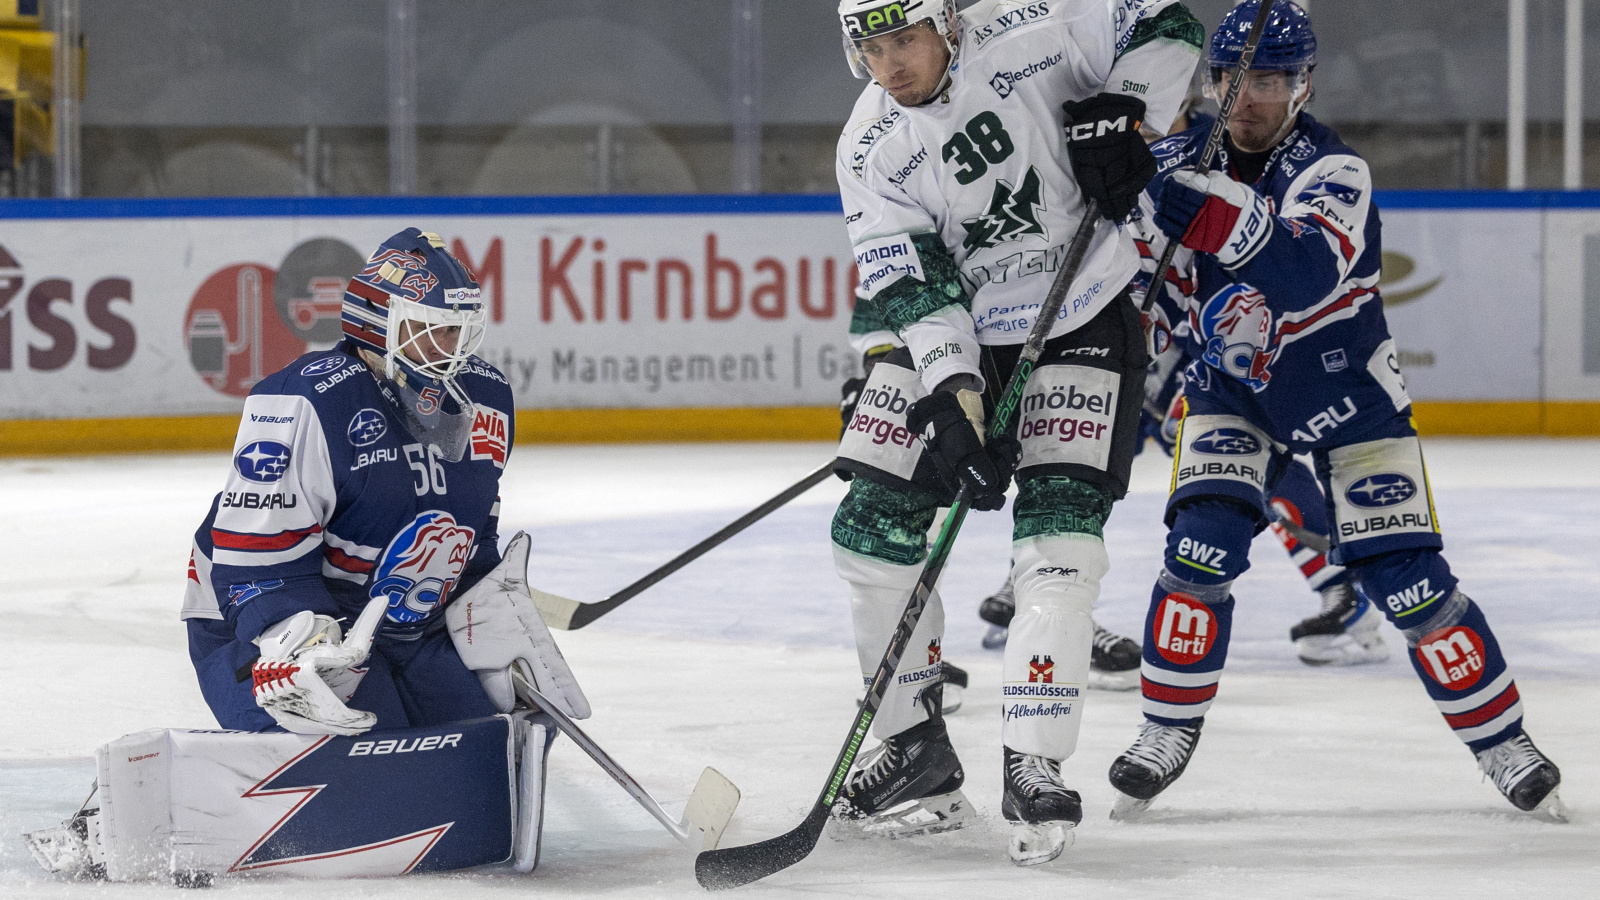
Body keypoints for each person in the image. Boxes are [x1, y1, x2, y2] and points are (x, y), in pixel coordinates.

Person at [1109, 0, 1563, 820]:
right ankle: (1164, 730)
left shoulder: (1332, 170)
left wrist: (1203, 210)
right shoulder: (1174, 162)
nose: (1248, 99)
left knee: (1410, 583)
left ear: (1304, 85)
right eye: (1235, 78)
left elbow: (1302, 272)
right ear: (1212, 80)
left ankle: (1504, 742)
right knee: (1198, 555)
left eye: (1270, 81)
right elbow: (1145, 285)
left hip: (1347, 395)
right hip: (1233, 392)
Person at [828, 0, 1202, 862]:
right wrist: (955, 399)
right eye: (871, 48)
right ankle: (913, 747)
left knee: (1059, 545)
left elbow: (1169, 21)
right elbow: (914, 288)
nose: (891, 64)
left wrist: (1129, 107)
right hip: (962, 336)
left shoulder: (1040, 22)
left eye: (905, 38)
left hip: (1083, 314)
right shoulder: (867, 146)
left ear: (948, 24)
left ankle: (1033, 761)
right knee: (867, 530)